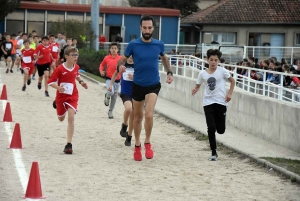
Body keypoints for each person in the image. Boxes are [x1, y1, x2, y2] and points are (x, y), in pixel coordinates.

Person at [117, 15, 173, 161]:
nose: (147, 30)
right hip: (138, 84)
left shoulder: (158, 44)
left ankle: (147, 142)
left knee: (148, 115)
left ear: (153, 28)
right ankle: (137, 145)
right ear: (140, 28)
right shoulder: (133, 45)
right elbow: (122, 60)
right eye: (145, 27)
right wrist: (120, 66)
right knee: (137, 117)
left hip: (153, 84)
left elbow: (164, 58)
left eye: (149, 27)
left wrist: (169, 72)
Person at [192, 49, 235, 161]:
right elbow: (198, 84)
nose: (213, 62)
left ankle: (218, 125)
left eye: (215, 60)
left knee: (220, 130)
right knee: (211, 127)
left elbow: (233, 81)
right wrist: (195, 89)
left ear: (219, 61)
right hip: (208, 102)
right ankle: (213, 152)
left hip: (221, 102)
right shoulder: (202, 73)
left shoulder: (222, 71)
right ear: (207, 60)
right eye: (211, 60)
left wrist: (229, 93)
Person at [48, 46, 88, 154]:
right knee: (61, 118)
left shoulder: (76, 67)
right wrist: (59, 88)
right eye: (73, 55)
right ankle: (56, 103)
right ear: (66, 56)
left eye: (77, 55)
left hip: (73, 95)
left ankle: (69, 144)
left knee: (71, 117)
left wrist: (81, 82)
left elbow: (77, 75)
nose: (76, 57)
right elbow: (50, 82)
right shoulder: (60, 69)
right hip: (61, 96)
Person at [108, 56, 134, 146]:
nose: (131, 57)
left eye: (133, 55)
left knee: (133, 116)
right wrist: (111, 84)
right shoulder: (122, 65)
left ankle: (129, 137)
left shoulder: (138, 64)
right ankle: (124, 125)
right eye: (129, 55)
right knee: (128, 109)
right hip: (125, 92)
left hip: (136, 92)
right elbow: (115, 74)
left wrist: (134, 77)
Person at [99, 42, 122, 119]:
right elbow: (101, 65)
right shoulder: (107, 58)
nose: (113, 50)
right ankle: (107, 96)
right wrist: (101, 71)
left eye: (115, 48)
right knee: (110, 91)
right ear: (110, 49)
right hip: (109, 78)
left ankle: (110, 111)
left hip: (117, 80)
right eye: (112, 48)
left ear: (118, 50)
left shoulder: (120, 59)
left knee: (115, 97)